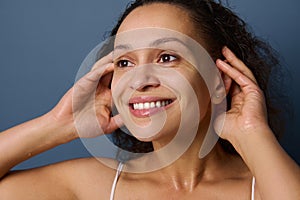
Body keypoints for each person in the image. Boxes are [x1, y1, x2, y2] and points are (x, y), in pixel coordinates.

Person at [0, 0, 299, 199]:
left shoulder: (266, 186)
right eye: (125, 63)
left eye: (167, 57)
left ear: (218, 80)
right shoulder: (93, 187)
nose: (140, 81)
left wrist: (252, 134)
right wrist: (57, 125)